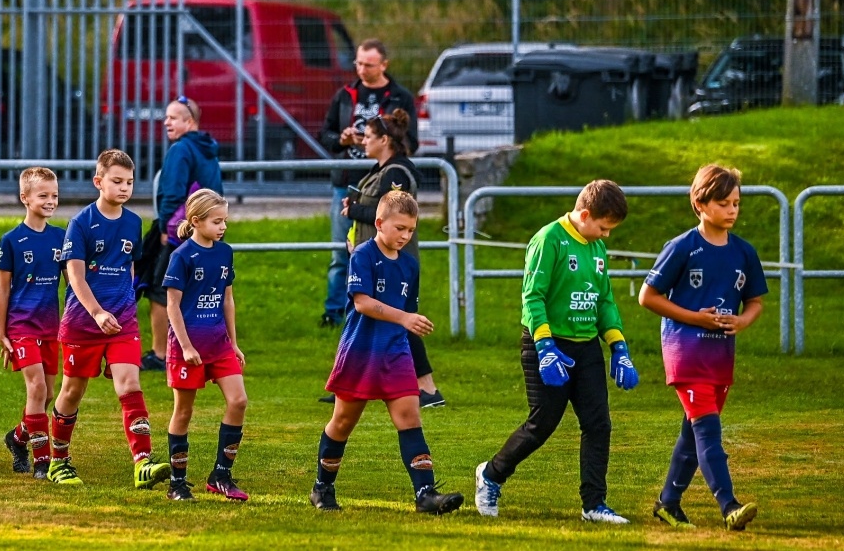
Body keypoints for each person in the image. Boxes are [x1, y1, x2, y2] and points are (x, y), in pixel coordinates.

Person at [473, 180, 639, 524]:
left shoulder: (597, 250)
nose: (606, 235)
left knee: (598, 424)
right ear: (585, 214)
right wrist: (545, 347)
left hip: (586, 345)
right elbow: (532, 297)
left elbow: (604, 301)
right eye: (604, 227)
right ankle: (491, 474)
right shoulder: (549, 239)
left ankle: (593, 505)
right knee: (543, 423)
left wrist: (619, 347)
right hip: (545, 346)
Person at [310, 191, 464, 515]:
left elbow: (409, 316)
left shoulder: (410, 265)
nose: (406, 236)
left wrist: (411, 330)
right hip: (361, 351)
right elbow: (362, 303)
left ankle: (425, 494)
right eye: (400, 228)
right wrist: (404, 318)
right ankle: (322, 487)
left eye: (411, 230)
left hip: (396, 352)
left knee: (410, 417)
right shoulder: (363, 255)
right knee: (342, 421)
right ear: (379, 223)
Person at [639, 164, 765, 531]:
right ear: (700, 203)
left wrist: (742, 321)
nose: (732, 210)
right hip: (686, 351)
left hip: (720, 355)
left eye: (736, 203)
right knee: (708, 431)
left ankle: (668, 503)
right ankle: (730, 506)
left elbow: (755, 301)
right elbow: (648, 297)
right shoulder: (682, 247)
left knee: (692, 434)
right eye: (723, 203)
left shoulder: (744, 252)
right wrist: (695, 317)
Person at [48, 149, 171, 488]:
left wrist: (124, 304)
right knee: (72, 391)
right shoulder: (81, 224)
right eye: (117, 181)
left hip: (123, 324)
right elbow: (75, 277)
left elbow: (128, 268)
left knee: (130, 385)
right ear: (98, 182)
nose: (124, 188)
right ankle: (58, 461)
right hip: (83, 323)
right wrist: (98, 311)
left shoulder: (134, 223)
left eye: (129, 182)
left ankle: (143, 462)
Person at [334, 108, 445, 408]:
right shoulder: (381, 168)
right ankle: (350, 382)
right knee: (382, 320)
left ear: (385, 140)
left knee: (402, 320)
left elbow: (388, 216)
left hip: (394, 263)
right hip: (371, 257)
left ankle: (428, 389)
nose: (363, 141)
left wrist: (353, 210)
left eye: (369, 137)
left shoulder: (395, 172)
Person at [317, 38, 417, 328]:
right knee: (342, 251)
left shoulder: (400, 97)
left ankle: (386, 310)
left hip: (383, 182)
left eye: (369, 65)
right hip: (348, 184)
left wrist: (383, 147)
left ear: (384, 64)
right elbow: (325, 135)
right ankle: (336, 311)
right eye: (358, 63)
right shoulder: (344, 94)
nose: (361, 69)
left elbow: (411, 141)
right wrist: (342, 140)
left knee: (384, 251)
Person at [161, 188, 250, 502]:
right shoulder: (182, 256)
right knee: (184, 412)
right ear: (196, 221)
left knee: (238, 400)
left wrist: (234, 343)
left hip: (219, 345)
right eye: (217, 221)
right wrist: (185, 346)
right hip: (188, 348)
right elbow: (172, 305)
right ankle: (178, 483)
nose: (223, 227)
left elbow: (228, 300)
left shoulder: (225, 252)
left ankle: (221, 475)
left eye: (225, 220)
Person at [141, 98, 223, 371]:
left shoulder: (181, 149)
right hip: (204, 232)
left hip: (179, 232)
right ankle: (198, 349)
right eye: (166, 117)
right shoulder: (208, 150)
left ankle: (160, 354)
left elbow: (173, 192)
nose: (167, 122)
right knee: (197, 293)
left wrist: (166, 227)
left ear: (190, 122)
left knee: (160, 290)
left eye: (174, 117)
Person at [0, 167, 67, 479]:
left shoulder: (61, 237)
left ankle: (17, 437)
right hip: (21, 326)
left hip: (50, 326)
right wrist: (1, 331)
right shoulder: (12, 240)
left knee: (47, 394)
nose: (50, 201)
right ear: (25, 198)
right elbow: (2, 288)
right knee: (36, 387)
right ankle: (42, 461)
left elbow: (73, 282)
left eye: (54, 195)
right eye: (43, 195)